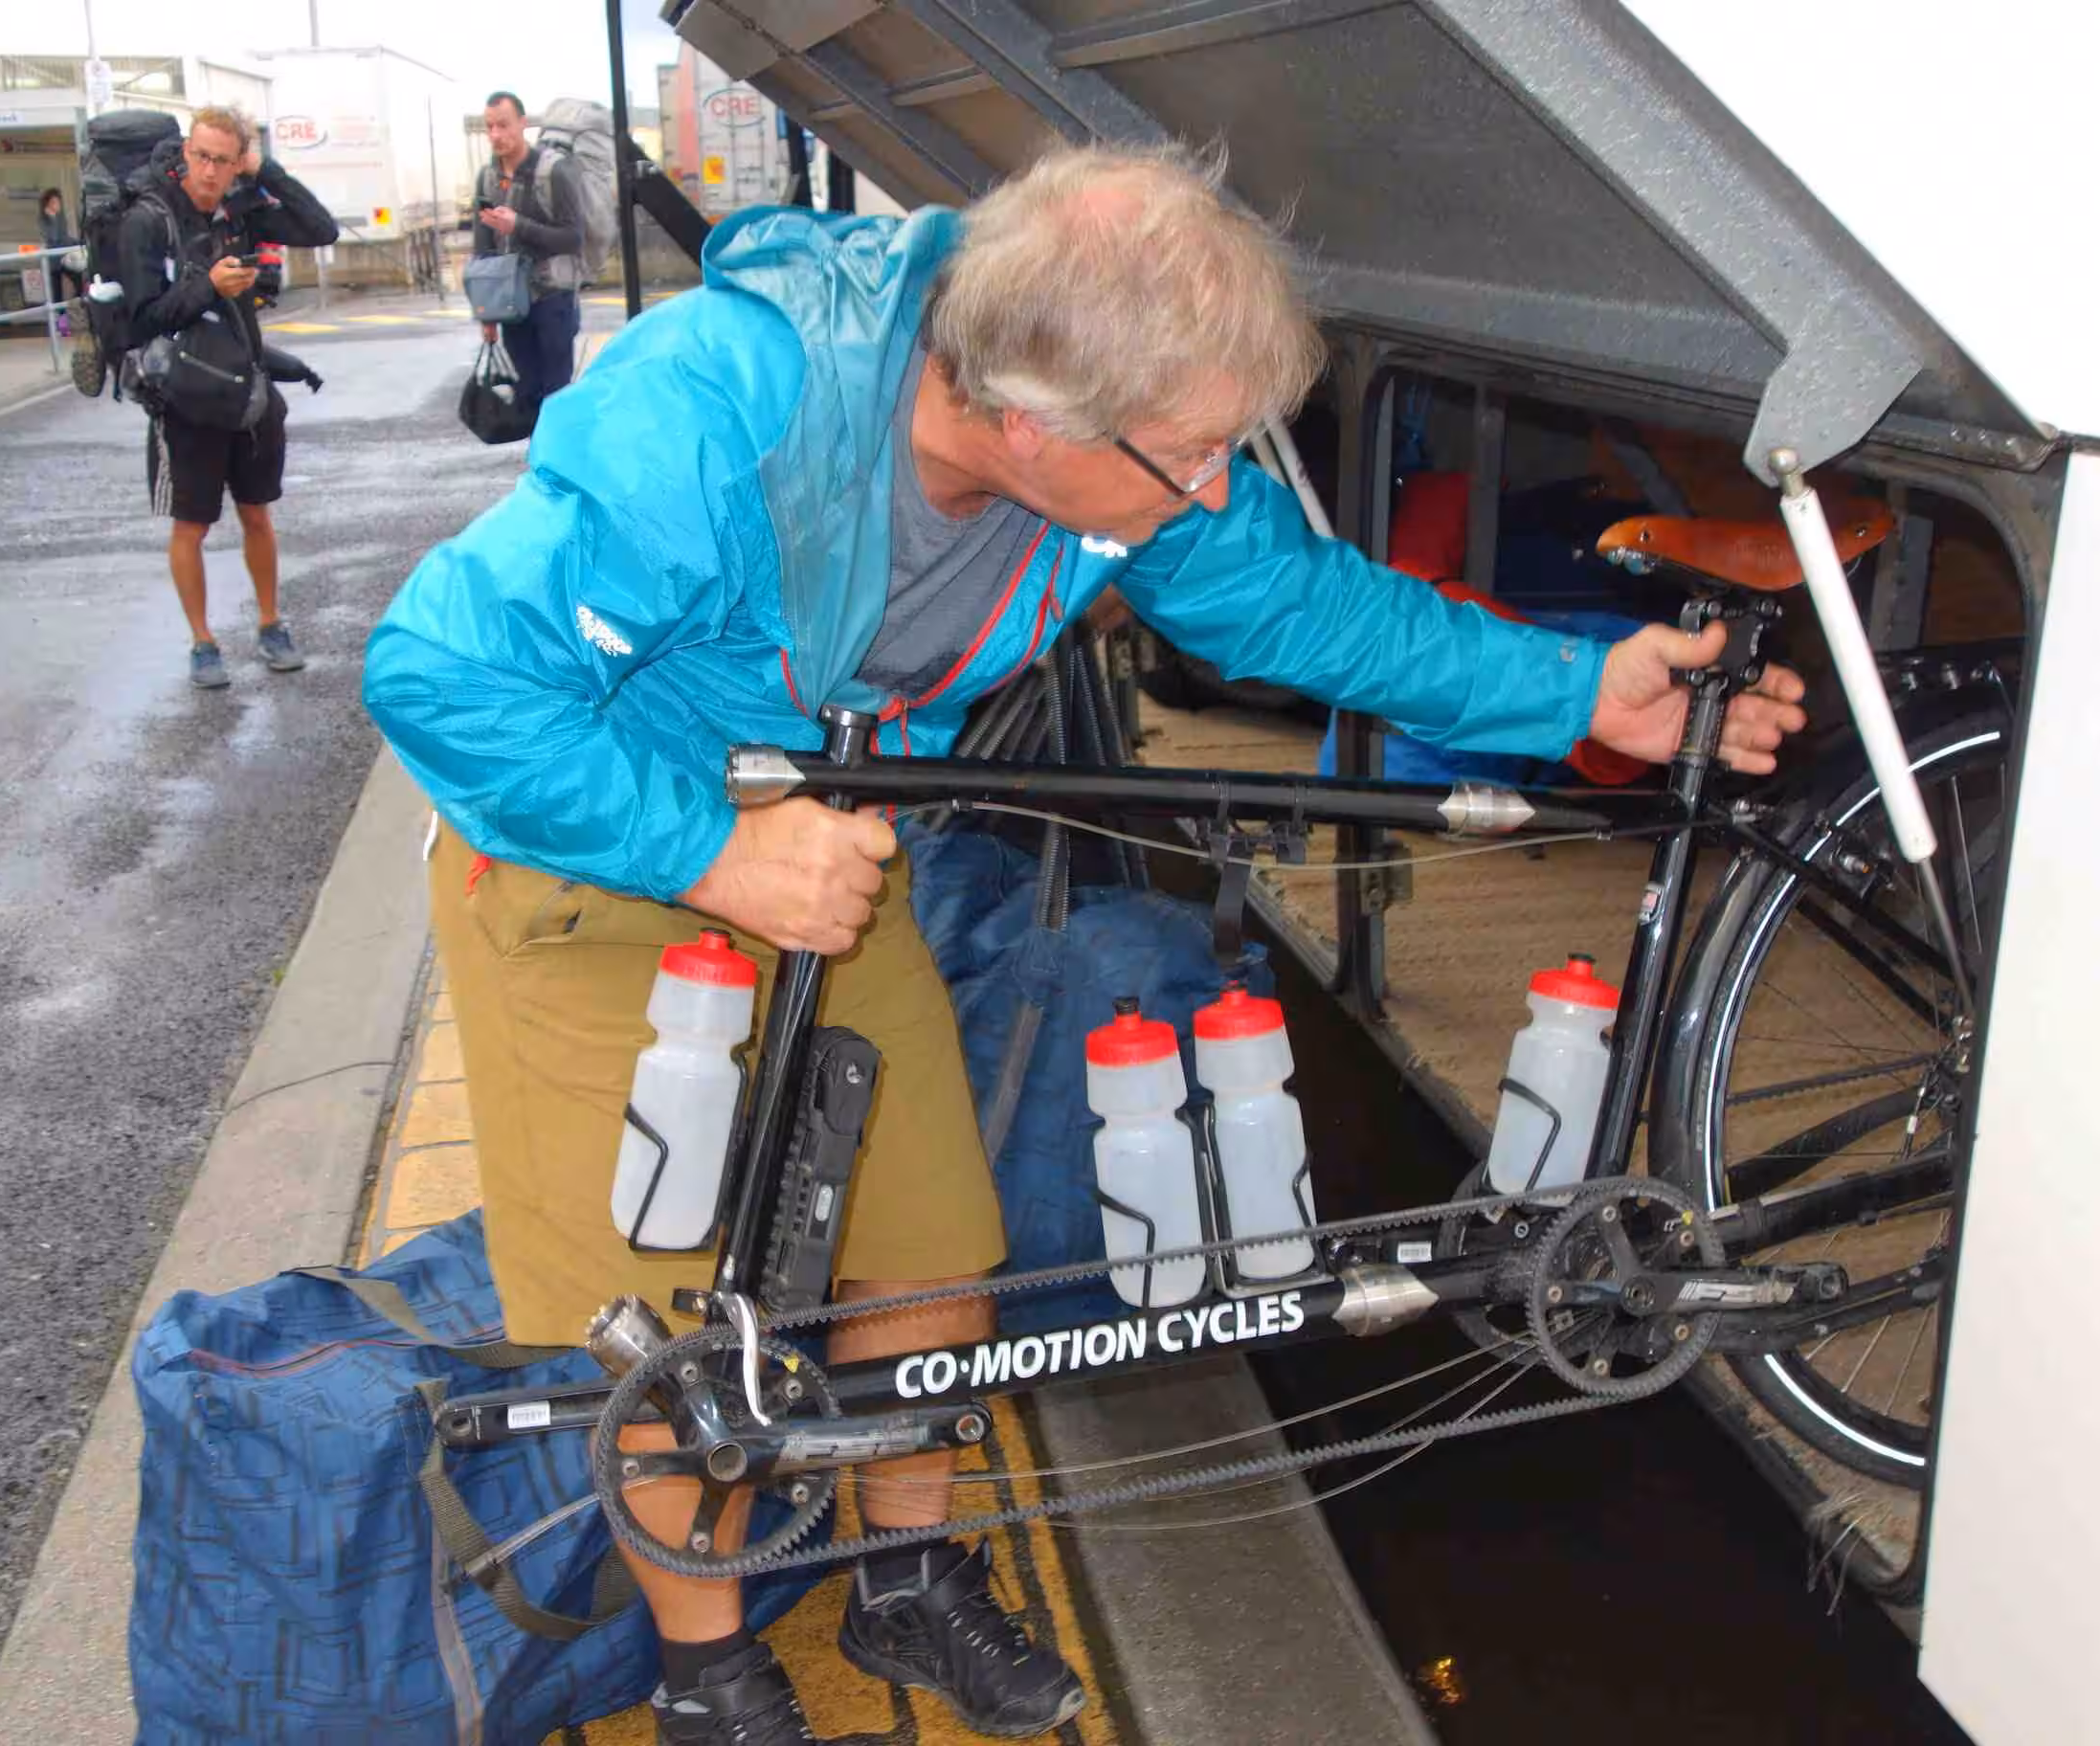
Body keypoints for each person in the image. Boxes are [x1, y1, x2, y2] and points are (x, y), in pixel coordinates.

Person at [365, 146, 1806, 1745]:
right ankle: (708, 1674)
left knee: (931, 1241)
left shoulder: (1113, 457)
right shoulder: (716, 405)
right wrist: (713, 853)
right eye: (1191, 456)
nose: (1214, 487)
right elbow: (440, 676)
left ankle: (906, 1579)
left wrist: (1581, 691)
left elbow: (1301, 603)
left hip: (825, 852)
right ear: (1027, 420)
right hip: (588, 851)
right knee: (663, 1322)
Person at [118, 106, 337, 689]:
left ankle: (270, 624)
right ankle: (202, 642)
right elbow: (140, 321)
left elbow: (322, 229)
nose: (209, 171)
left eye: (223, 160)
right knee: (191, 525)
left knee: (257, 513)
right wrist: (207, 287)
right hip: (184, 398)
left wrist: (268, 172)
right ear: (186, 152)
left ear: (239, 162)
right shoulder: (149, 220)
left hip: (246, 390)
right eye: (200, 157)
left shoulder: (239, 211)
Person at [470, 91, 586, 421]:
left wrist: (518, 225)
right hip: (511, 304)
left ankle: (556, 454)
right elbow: (484, 249)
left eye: (503, 125)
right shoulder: (487, 178)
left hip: (553, 299)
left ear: (523, 124)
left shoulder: (554, 172)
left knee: (556, 398)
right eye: (490, 127)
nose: (496, 135)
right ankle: (537, 454)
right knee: (526, 396)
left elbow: (573, 238)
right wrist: (485, 313)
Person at [37, 188, 85, 331]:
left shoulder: (61, 217)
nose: (58, 205)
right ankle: (62, 324)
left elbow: (65, 237)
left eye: (59, 202)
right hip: (52, 261)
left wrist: (78, 243)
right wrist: (51, 218)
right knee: (56, 293)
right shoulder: (43, 220)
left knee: (79, 281)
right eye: (55, 202)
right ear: (48, 204)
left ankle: (76, 313)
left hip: (65, 258)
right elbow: (52, 238)